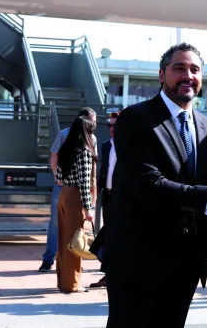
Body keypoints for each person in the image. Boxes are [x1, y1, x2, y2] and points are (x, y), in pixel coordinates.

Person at [103, 43, 207, 328]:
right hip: (137, 261)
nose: (188, 75)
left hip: (186, 264)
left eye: (195, 69)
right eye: (179, 68)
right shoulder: (135, 119)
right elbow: (149, 186)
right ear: (162, 74)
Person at [39, 107, 97, 273]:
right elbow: (55, 157)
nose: (94, 123)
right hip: (73, 187)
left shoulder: (78, 136)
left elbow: (55, 157)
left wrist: (59, 178)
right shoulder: (75, 136)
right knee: (67, 225)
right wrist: (59, 178)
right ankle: (59, 259)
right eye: (92, 120)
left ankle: (60, 260)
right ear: (84, 120)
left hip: (69, 186)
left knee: (64, 224)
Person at [55, 115, 97, 293]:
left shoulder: (66, 149)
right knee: (75, 241)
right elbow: (84, 182)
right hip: (75, 198)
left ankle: (63, 281)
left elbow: (58, 175)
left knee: (64, 240)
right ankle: (72, 283)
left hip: (64, 193)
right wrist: (89, 207)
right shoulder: (84, 151)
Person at [90, 111, 119, 289]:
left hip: (121, 197)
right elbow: (104, 170)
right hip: (107, 196)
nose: (112, 129)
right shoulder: (106, 145)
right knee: (108, 236)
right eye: (110, 125)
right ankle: (108, 273)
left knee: (113, 236)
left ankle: (113, 273)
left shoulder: (129, 147)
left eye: (115, 125)